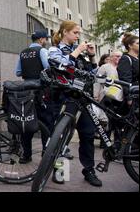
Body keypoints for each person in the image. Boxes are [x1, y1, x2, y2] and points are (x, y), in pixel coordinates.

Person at [49, 21, 102, 187]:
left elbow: (93, 74)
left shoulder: (82, 51)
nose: (78, 36)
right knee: (61, 136)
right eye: (75, 33)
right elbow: (60, 66)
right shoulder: (55, 49)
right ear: (65, 32)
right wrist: (77, 52)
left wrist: (92, 56)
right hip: (66, 97)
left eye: (79, 33)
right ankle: (59, 172)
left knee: (87, 135)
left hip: (84, 98)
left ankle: (89, 171)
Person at [14, 30, 51, 163]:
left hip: (25, 91)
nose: (46, 41)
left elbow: (18, 72)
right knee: (45, 122)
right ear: (41, 39)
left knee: (26, 121)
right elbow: (48, 67)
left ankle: (26, 155)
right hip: (41, 90)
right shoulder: (42, 51)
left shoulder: (23, 52)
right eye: (46, 39)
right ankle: (46, 154)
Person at [93, 51, 123, 148]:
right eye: (117, 56)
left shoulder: (122, 68)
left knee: (117, 121)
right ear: (111, 57)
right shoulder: (105, 67)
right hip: (106, 97)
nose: (119, 58)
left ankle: (117, 144)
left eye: (121, 56)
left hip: (119, 98)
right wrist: (96, 95)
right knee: (107, 121)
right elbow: (97, 82)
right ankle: (104, 142)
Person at [117, 33, 139, 106]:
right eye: (138, 43)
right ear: (130, 45)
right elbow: (124, 80)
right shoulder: (126, 58)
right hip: (134, 97)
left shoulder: (137, 59)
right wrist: (129, 98)